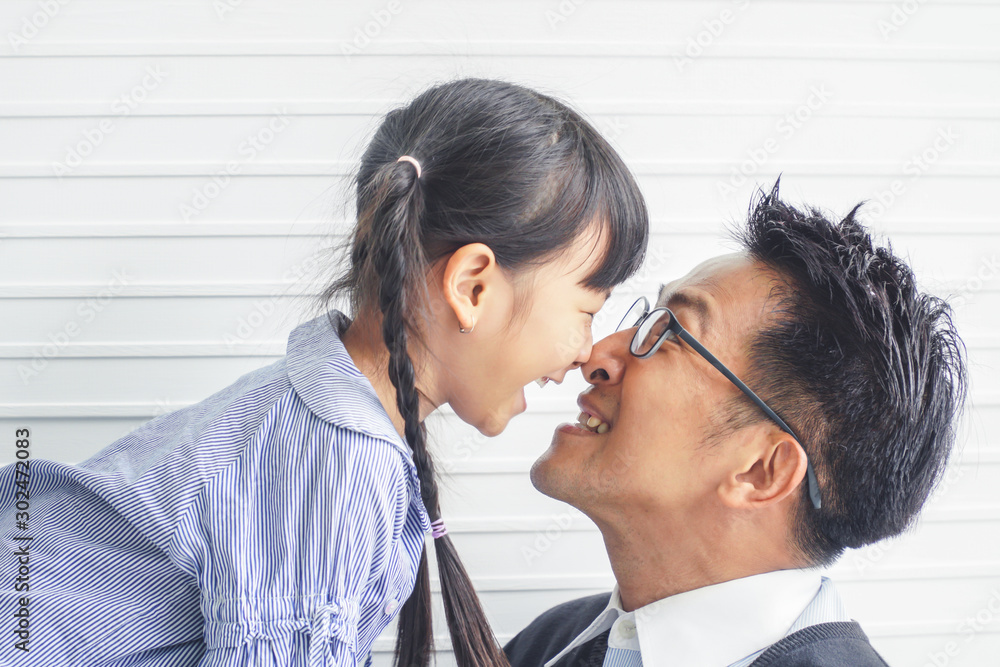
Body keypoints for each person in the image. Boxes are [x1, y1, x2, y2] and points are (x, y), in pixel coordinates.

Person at [0, 78, 649, 667]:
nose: (585, 352)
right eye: (587, 309)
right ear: (473, 286)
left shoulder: (314, 423)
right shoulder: (338, 460)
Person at [504, 182, 967, 667]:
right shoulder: (551, 645)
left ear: (761, 471)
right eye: (647, 318)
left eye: (671, 336)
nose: (595, 355)